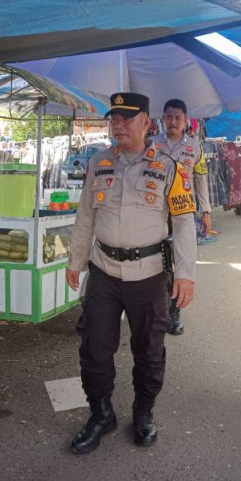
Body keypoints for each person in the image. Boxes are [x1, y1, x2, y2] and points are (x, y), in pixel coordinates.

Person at [66, 93, 197, 454]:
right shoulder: (99, 162)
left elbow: (184, 224)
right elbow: (86, 217)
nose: (118, 124)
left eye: (127, 118)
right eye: (114, 118)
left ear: (146, 123)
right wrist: (75, 261)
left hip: (150, 275)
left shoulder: (170, 167)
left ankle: (143, 411)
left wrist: (186, 274)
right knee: (94, 347)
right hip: (104, 272)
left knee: (150, 350)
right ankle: (101, 413)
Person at [149, 98, 210, 336]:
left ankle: (174, 314)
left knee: (181, 261)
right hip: (156, 213)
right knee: (159, 263)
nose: (173, 122)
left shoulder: (195, 148)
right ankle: (158, 309)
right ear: (163, 119)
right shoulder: (151, 144)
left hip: (183, 214)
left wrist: (205, 211)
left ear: (186, 120)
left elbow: (201, 179)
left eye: (178, 118)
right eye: (169, 117)